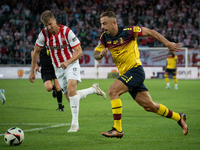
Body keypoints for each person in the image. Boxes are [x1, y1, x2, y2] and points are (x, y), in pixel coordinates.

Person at [94, 11, 188, 138]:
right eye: (101, 24)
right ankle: (179, 117)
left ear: (114, 23)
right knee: (150, 106)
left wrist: (167, 43)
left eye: (104, 24)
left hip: (135, 71)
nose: (102, 27)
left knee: (112, 91)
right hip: (127, 75)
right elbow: (96, 54)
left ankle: (118, 129)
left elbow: (150, 32)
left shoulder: (129, 31)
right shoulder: (104, 38)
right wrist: (100, 55)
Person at [29, 10, 106, 132]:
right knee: (71, 97)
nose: (49, 27)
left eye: (50, 24)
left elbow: (79, 51)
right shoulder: (43, 34)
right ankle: (93, 89)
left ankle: (74, 124)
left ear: (55, 21)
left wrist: (68, 62)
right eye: (46, 25)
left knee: (71, 90)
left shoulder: (67, 32)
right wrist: (32, 70)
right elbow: (36, 51)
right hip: (58, 68)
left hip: (71, 63)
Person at [31, 47, 65, 111]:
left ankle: (60, 107)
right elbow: (33, 53)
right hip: (45, 69)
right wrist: (36, 65)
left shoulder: (54, 42)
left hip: (56, 68)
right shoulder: (41, 43)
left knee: (58, 87)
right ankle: (53, 88)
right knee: (49, 88)